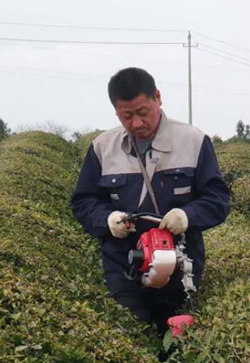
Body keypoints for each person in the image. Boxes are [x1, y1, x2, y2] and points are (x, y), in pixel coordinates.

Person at [71, 67, 230, 336]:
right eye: (127, 116)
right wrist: (107, 220)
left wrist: (187, 215)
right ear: (116, 111)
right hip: (124, 264)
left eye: (143, 112)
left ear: (158, 97)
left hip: (180, 263)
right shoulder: (103, 147)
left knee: (177, 336)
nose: (136, 123)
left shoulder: (193, 141)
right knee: (131, 333)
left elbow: (218, 199)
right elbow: (83, 202)